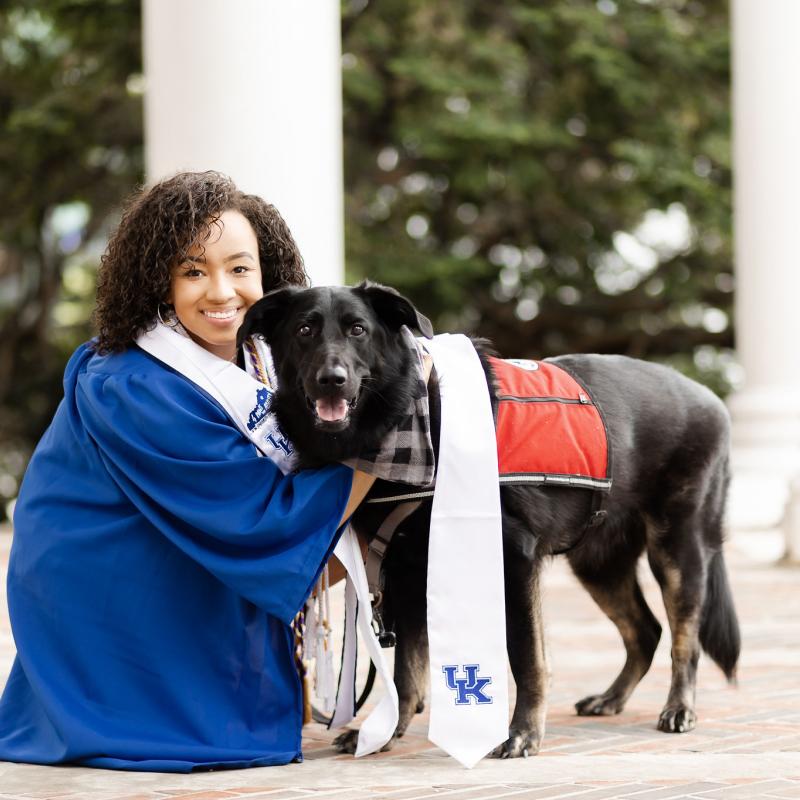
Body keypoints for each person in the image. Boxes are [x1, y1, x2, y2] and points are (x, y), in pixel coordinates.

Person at [0, 171, 377, 771]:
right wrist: (384, 450)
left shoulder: (262, 359)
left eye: (240, 268)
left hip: (166, 557)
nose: (221, 291)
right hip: (107, 597)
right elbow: (256, 520)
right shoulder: (132, 382)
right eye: (193, 271)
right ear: (159, 280)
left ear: (268, 272)